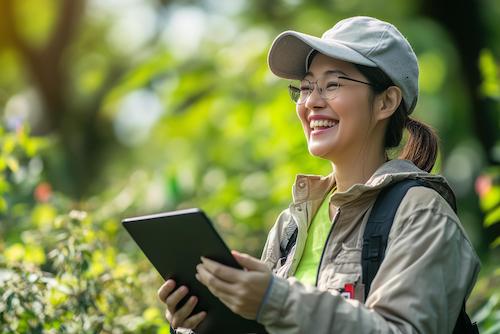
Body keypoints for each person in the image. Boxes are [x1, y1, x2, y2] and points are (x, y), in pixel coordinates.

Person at [157, 16, 480, 334]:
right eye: (307, 87)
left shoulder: (419, 212)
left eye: (333, 84)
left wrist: (276, 300)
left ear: (386, 102)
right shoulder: (292, 224)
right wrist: (201, 323)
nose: (311, 101)